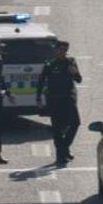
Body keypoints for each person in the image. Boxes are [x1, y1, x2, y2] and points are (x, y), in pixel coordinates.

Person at [37, 40, 82, 169]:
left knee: (75, 123)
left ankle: (64, 148)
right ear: (55, 50)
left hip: (68, 99)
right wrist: (38, 97)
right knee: (57, 128)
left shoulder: (70, 62)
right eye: (61, 49)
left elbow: (79, 80)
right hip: (54, 99)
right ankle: (61, 154)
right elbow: (41, 80)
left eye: (65, 50)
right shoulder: (50, 63)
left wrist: (74, 72)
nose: (63, 52)